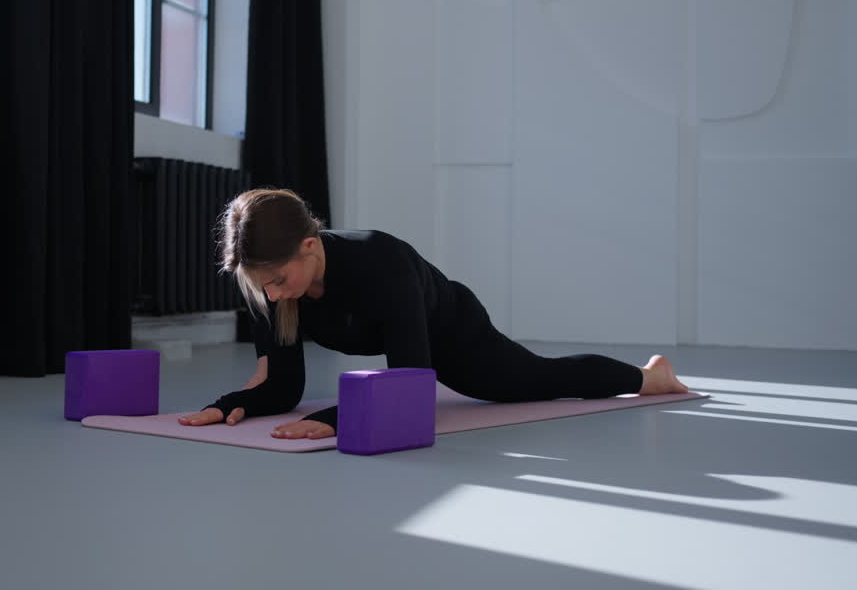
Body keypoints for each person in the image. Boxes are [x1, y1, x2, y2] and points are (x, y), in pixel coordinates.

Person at [177, 188, 689, 441]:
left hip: (452, 331)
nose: (270, 293)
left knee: (537, 378)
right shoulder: (271, 284)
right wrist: (232, 402)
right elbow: (283, 386)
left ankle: (649, 377)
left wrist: (334, 421)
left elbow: (411, 391)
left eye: (277, 279)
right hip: (414, 346)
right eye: (259, 283)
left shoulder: (382, 262)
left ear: (309, 246)